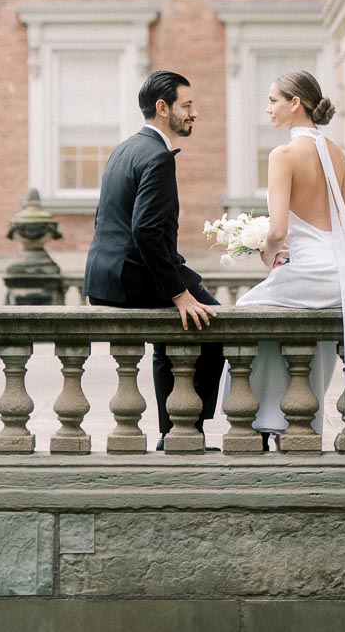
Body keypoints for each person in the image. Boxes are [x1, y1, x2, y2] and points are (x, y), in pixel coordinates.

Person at [83, 70, 224, 448]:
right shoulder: (159, 157)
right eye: (187, 105)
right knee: (217, 326)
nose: (194, 113)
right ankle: (184, 430)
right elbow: (145, 231)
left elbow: (104, 219)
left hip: (103, 277)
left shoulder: (125, 148)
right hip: (133, 276)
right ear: (163, 108)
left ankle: (173, 432)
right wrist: (178, 293)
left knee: (174, 334)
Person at [236, 69, 345, 450]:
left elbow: (278, 230)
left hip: (316, 271)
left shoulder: (283, 155)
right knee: (313, 333)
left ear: (295, 103)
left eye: (273, 101)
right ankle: (303, 420)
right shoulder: (336, 152)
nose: (268, 110)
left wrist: (267, 254)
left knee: (246, 312)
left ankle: (265, 419)